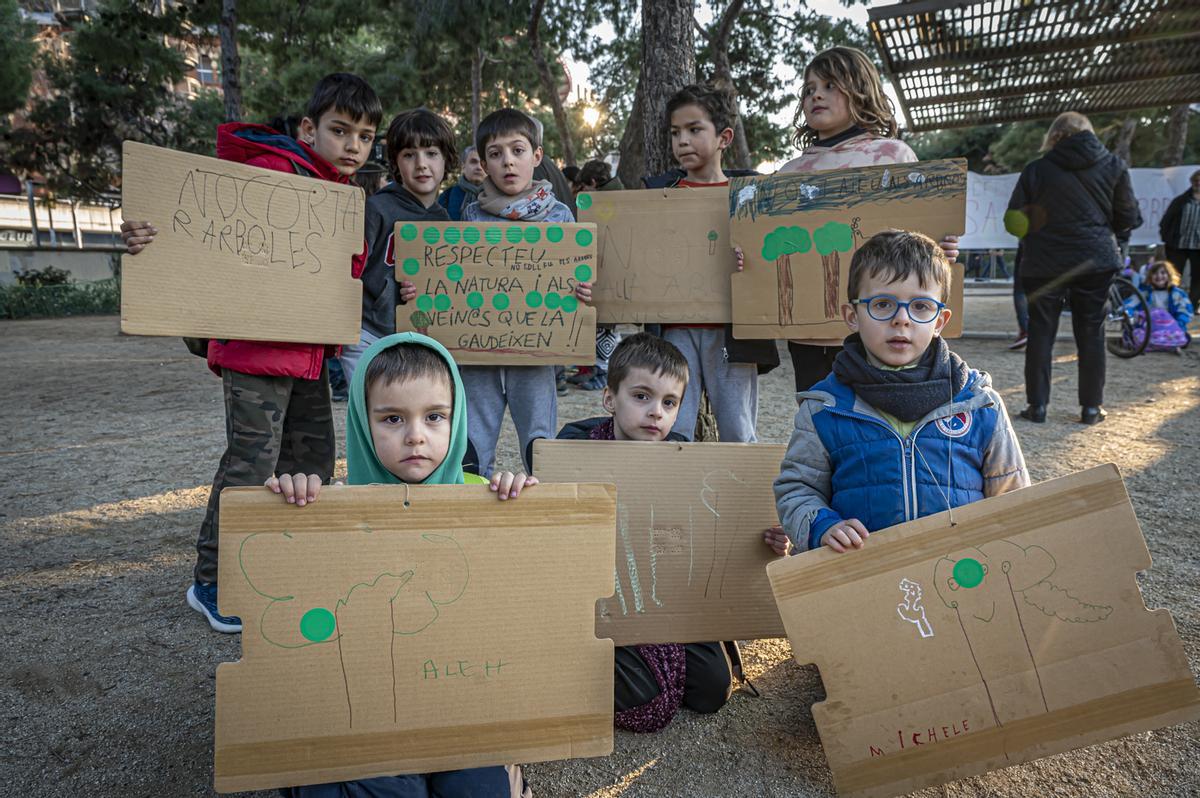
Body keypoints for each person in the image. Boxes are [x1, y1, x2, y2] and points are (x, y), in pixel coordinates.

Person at [119, 73, 382, 634]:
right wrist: (146, 238)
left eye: (364, 136)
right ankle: (212, 581)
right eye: (340, 131)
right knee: (250, 466)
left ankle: (284, 564)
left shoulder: (340, 197)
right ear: (309, 129)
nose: (352, 145)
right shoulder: (268, 174)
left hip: (308, 355)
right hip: (254, 356)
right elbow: (199, 229)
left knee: (312, 463)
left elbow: (340, 277)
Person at [268, 332, 535, 798]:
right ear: (362, 421)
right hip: (366, 711)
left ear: (457, 419)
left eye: (435, 416)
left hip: (459, 701)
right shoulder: (331, 510)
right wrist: (292, 508)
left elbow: (527, 597)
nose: (415, 435)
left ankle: (508, 772)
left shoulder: (485, 500)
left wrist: (527, 509)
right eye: (392, 418)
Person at [770, 230, 1028, 555]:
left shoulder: (979, 403)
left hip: (960, 573)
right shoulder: (825, 408)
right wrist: (823, 526)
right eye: (882, 304)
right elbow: (797, 488)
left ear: (940, 321)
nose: (901, 319)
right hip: (863, 574)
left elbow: (1014, 498)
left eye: (920, 306)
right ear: (852, 316)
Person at [551, 333, 752, 731]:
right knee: (642, 696)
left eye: (669, 402)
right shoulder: (574, 448)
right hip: (601, 598)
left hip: (663, 596)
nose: (656, 412)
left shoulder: (682, 457)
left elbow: (707, 533)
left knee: (712, 690)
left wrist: (760, 538)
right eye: (641, 396)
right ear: (610, 398)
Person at [767, 46, 960, 393]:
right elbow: (768, 245)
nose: (816, 96)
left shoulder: (893, 155)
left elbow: (919, 235)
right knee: (818, 410)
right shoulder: (790, 172)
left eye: (829, 85)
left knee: (880, 408)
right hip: (808, 333)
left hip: (882, 326)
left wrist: (939, 251)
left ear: (859, 89)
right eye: (809, 89)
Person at [643, 82, 779, 442]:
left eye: (694, 129)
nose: (682, 141)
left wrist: (750, 262)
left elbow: (774, 260)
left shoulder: (751, 198)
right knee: (672, 426)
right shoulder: (659, 197)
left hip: (731, 331)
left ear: (724, 137)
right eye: (675, 133)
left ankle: (741, 481)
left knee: (738, 427)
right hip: (675, 329)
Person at [460, 108, 589, 475]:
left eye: (517, 151)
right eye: (495, 154)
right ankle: (472, 499)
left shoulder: (560, 216)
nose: (508, 162)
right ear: (484, 163)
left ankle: (538, 500)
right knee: (472, 439)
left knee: (539, 439)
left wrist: (583, 288)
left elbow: (577, 271)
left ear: (536, 156)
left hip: (536, 351)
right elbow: (458, 277)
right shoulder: (471, 216)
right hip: (479, 350)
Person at [1005, 111, 1142, 425]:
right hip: (1096, 261)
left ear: (1054, 136)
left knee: (1041, 332)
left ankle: (1037, 407)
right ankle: (1091, 409)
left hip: (1044, 262)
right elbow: (1128, 218)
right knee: (1092, 331)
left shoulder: (1036, 170)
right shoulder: (1114, 166)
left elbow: (1014, 222)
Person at [341, 108, 457, 382]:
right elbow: (347, 271)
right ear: (395, 162)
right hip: (366, 334)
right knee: (371, 405)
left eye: (431, 153)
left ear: (447, 159)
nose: (421, 164)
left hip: (417, 339)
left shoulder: (445, 222)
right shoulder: (376, 209)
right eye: (409, 155)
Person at [1131, 260, 1193, 353]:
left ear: (1169, 275)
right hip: (1151, 327)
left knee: (1185, 336)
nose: (1159, 276)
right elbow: (1131, 304)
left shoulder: (1177, 293)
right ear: (1150, 276)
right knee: (1133, 333)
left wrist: (1178, 324)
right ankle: (1168, 344)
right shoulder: (1145, 293)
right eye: (1155, 273)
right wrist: (1129, 314)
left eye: (1163, 273)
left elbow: (1184, 311)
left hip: (1171, 328)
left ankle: (1156, 344)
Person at [1159, 169, 1200, 308]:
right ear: (1192, 182)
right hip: (1177, 245)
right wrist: (1166, 237)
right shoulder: (1181, 201)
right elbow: (1166, 220)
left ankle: (1191, 306)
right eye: (1196, 180)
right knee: (1173, 275)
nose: (1198, 183)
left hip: (1198, 246)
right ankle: (1171, 303)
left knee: (1198, 278)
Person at [437, 144, 486, 221]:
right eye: (473, 162)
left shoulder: (498, 196)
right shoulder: (446, 197)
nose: (479, 167)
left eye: (483, 163)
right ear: (463, 167)